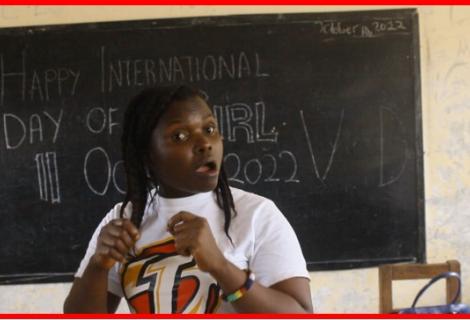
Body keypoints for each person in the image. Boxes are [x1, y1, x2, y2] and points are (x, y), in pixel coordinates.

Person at [63, 85, 313, 314]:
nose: (204, 143)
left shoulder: (257, 214)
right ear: (147, 155)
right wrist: (98, 266)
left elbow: (301, 313)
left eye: (209, 129)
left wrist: (221, 267)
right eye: (180, 136)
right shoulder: (125, 219)